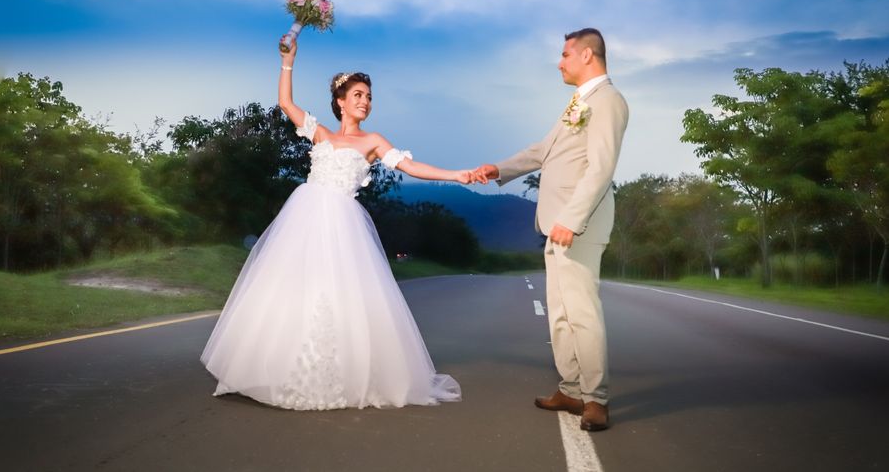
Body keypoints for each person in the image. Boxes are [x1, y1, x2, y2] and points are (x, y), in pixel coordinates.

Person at [200, 40, 469, 410]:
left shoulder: (373, 142)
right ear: (341, 101)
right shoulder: (323, 134)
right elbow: (286, 104)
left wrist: (458, 175)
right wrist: (288, 62)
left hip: (343, 224)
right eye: (358, 94)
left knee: (337, 296)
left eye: (369, 96)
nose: (365, 101)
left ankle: (332, 372)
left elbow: (411, 167)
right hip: (306, 217)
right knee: (293, 291)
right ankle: (277, 367)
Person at [474, 28, 629, 431]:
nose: (559, 63)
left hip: (577, 224)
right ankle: (572, 389)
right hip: (557, 223)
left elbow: (601, 169)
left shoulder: (608, 101)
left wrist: (572, 220)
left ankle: (596, 399)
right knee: (559, 314)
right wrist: (501, 168)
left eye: (564, 55)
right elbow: (545, 151)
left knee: (582, 313)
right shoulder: (578, 101)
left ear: (588, 56)